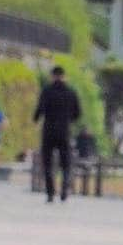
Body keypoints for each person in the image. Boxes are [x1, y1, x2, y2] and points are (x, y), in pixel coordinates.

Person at [33, 64, 81, 202]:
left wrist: (36, 119)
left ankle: (50, 192)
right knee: (66, 163)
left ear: (52, 76)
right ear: (64, 76)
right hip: (64, 131)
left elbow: (39, 109)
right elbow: (77, 113)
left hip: (48, 130)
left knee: (47, 162)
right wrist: (68, 119)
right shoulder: (71, 92)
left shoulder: (47, 91)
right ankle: (64, 189)